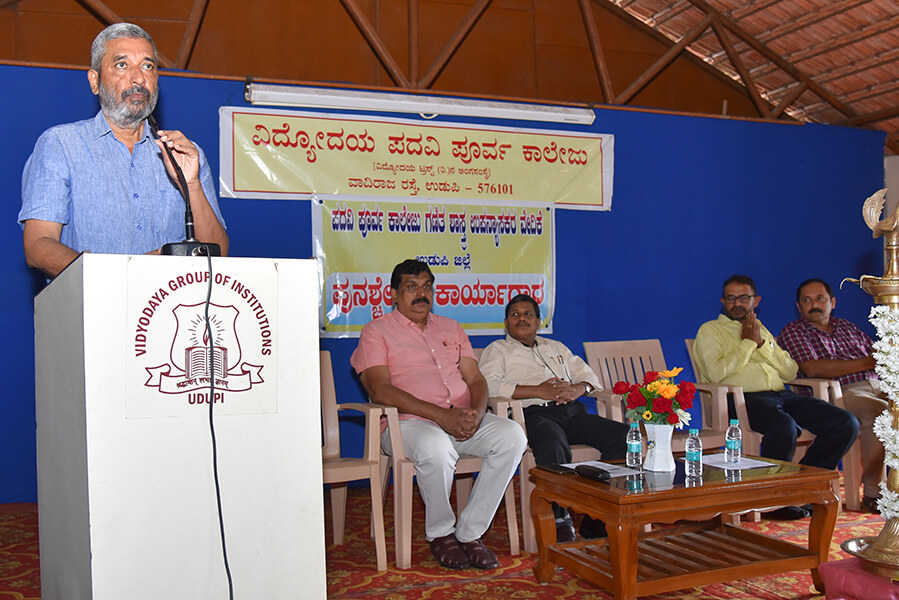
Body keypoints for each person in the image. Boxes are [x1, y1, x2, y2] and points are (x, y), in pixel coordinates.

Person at [351, 259, 527, 570]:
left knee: (512, 436)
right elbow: (379, 391)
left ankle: (470, 532)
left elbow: (475, 379)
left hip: (458, 418)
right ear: (392, 293)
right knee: (436, 444)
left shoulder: (451, 328)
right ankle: (441, 533)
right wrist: (441, 416)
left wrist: (475, 412)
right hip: (407, 424)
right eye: (411, 287)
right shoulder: (376, 331)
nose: (421, 293)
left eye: (427, 286)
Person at [19, 22, 228, 278]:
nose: (138, 78)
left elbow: (219, 253)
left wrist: (192, 183)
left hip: (171, 311)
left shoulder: (184, 154)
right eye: (122, 64)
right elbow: (38, 245)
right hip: (92, 309)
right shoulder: (60, 145)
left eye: (148, 66)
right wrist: (115, 277)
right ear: (95, 81)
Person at [693, 274, 858, 520]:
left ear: (756, 300)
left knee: (845, 422)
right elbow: (716, 374)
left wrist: (761, 344)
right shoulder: (710, 330)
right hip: (740, 399)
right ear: (723, 301)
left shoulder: (761, 329)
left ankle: (800, 487)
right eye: (731, 298)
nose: (737, 303)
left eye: (744, 298)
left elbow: (790, 370)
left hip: (781, 395)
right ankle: (774, 501)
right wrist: (747, 344)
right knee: (784, 427)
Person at [478, 293, 627, 542]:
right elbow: (489, 387)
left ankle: (599, 516)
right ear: (506, 323)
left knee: (622, 436)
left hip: (571, 411)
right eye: (515, 315)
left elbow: (591, 378)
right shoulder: (498, 350)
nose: (522, 319)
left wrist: (578, 389)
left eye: (528, 315)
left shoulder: (557, 348)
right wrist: (538, 390)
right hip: (532, 415)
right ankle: (559, 517)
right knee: (553, 442)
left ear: (538, 322)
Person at [778, 278, 886, 512]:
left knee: (891, 408)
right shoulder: (795, 331)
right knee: (879, 415)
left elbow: (881, 357)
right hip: (838, 393)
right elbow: (813, 368)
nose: (814, 304)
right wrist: (868, 362)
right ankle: (874, 493)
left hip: (877, 386)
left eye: (820, 298)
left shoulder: (847, 327)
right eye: (806, 300)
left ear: (832, 302)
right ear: (798, 306)